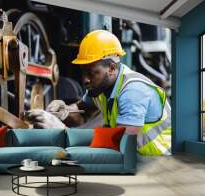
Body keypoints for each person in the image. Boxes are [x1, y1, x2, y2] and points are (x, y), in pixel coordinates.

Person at [27, 30, 171, 156]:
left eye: (91, 73)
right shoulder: (103, 87)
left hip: (158, 162)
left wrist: (62, 131)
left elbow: (119, 142)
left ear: (112, 68)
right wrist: (65, 109)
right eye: (83, 72)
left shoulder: (132, 92)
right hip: (138, 157)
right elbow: (83, 106)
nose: (85, 80)